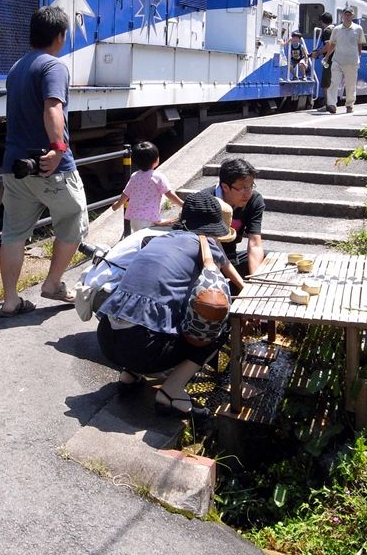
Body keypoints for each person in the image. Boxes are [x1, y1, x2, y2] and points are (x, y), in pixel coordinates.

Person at [96, 191, 245, 421]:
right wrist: (244, 292)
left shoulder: (157, 239)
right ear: (212, 228)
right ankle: (171, 393)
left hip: (106, 339)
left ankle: (129, 375)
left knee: (153, 309)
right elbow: (229, 275)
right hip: (143, 348)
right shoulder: (205, 245)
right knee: (216, 325)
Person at [0, 6, 89, 317]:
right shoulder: (55, 67)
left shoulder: (17, 68)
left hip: (16, 166)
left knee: (12, 233)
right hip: (49, 165)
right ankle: (52, 284)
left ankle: (10, 299)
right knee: (74, 219)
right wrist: (58, 148)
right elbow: (53, 108)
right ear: (60, 36)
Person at [205, 157, 264, 277]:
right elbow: (216, 251)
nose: (247, 193)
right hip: (207, 259)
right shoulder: (205, 201)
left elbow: (255, 243)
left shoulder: (254, 200)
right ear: (225, 187)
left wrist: (255, 280)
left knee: (268, 260)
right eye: (242, 188)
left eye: (250, 186)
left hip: (231, 256)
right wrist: (242, 284)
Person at [111, 140, 184, 233]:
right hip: (149, 220)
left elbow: (126, 194)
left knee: (140, 240)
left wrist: (117, 205)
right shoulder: (158, 177)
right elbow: (169, 194)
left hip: (134, 219)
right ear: (156, 160)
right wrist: (183, 205)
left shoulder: (134, 176)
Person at [326, 7, 367, 114]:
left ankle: (349, 104)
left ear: (353, 16)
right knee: (334, 82)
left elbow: (360, 44)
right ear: (342, 15)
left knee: (350, 84)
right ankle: (331, 104)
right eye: (346, 14)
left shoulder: (358, 29)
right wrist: (327, 56)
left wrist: (359, 56)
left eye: (350, 14)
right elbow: (332, 44)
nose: (347, 16)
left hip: (352, 61)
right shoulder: (336, 29)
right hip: (337, 60)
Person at [311, 15, 335, 106]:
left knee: (326, 83)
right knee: (332, 82)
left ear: (322, 22)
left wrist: (318, 53)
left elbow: (328, 45)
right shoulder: (335, 29)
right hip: (336, 59)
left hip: (329, 60)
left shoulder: (327, 31)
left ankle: (328, 105)